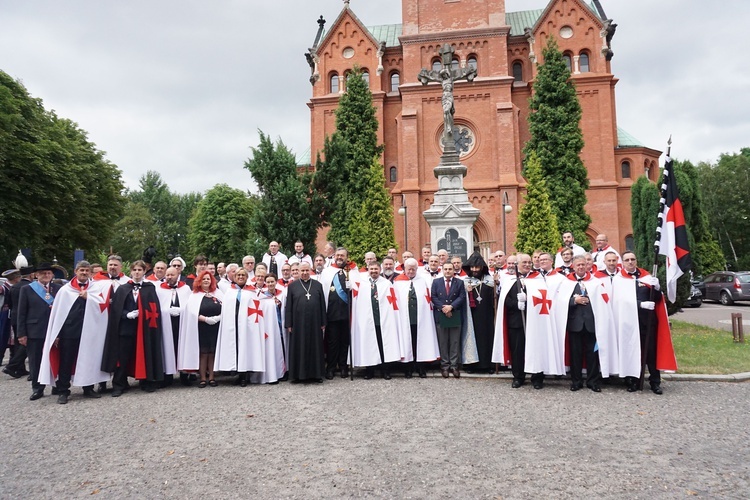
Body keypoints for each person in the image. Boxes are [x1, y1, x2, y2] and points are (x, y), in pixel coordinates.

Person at [39, 261, 108, 403]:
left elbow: (103, 306)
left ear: (90, 272)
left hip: (89, 331)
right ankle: (63, 391)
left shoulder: (96, 289)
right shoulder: (65, 290)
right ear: (75, 271)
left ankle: (88, 388)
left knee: (88, 359)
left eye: (87, 270)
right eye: (81, 270)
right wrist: (57, 334)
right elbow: (58, 314)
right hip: (69, 332)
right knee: (66, 361)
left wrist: (89, 298)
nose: (84, 273)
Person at [612, 251, 677, 394]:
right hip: (629, 322)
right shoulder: (618, 279)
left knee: (651, 352)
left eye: (632, 259)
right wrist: (640, 304)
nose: (630, 262)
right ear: (622, 262)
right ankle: (634, 380)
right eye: (627, 260)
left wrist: (658, 289)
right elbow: (619, 302)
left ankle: (655, 382)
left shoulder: (647, 277)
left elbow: (657, 300)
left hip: (648, 321)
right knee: (633, 351)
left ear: (636, 261)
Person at [101, 260, 165, 397]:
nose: (137, 272)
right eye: (135, 270)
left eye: (140, 270)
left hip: (145, 329)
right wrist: (126, 314)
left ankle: (146, 381)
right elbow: (116, 309)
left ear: (144, 272)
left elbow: (154, 308)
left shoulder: (150, 288)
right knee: (122, 356)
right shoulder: (123, 288)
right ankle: (119, 384)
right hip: (126, 328)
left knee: (145, 353)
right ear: (131, 271)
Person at [552, 255, 616, 392]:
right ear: (573, 267)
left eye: (583, 264)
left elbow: (603, 302)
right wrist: (574, 301)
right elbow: (560, 302)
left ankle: (593, 381)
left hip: (592, 324)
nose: (580, 267)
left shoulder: (596, 282)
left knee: (592, 354)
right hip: (575, 325)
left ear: (587, 265)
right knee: (575, 354)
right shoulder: (566, 283)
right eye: (578, 265)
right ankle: (576, 381)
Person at [492, 254, 547, 389]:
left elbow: (543, 298)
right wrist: (517, 304)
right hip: (516, 322)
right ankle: (518, 377)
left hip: (534, 322)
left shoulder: (538, 279)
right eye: (524, 262)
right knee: (517, 351)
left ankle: (537, 378)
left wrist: (528, 299)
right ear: (517, 264)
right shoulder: (510, 280)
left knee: (536, 349)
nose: (527, 265)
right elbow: (504, 300)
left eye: (529, 262)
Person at [16, 262, 61, 400]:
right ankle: (38, 388)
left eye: (49, 273)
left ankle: (57, 385)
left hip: (54, 330)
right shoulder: (27, 289)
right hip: (35, 330)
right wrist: (21, 333)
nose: (46, 276)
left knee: (56, 357)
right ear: (36, 275)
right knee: (35, 361)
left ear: (52, 275)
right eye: (43, 273)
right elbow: (21, 312)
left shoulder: (58, 288)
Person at [351, 261, 403, 379]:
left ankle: (385, 370)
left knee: (383, 344)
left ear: (380, 270)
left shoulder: (386, 284)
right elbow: (356, 299)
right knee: (369, 345)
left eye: (376, 269)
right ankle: (370, 370)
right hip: (368, 320)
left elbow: (392, 301)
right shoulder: (362, 284)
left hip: (383, 320)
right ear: (368, 270)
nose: (374, 271)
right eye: (371, 269)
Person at [214, 268, 262, 386]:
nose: (240, 277)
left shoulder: (252, 292)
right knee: (234, 348)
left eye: (243, 275)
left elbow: (256, 309)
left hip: (246, 326)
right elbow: (226, 309)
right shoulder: (230, 292)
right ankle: (236, 373)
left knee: (245, 348)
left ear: (246, 277)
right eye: (238, 275)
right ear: (235, 277)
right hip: (232, 325)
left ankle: (244, 375)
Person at [393, 258, 440, 378]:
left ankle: (421, 367)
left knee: (420, 342)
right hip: (405, 318)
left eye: (413, 269)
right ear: (405, 269)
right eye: (409, 269)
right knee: (407, 342)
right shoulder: (398, 282)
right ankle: (408, 368)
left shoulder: (422, 281)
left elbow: (427, 298)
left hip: (421, 318)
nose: (411, 271)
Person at [178, 270, 223, 388]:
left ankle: (212, 377)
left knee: (213, 352)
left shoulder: (218, 293)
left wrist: (218, 318)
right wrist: (205, 319)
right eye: (204, 279)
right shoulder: (194, 295)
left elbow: (226, 307)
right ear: (199, 281)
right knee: (203, 353)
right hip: (201, 327)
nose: (206, 281)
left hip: (216, 326)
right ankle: (203, 378)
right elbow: (191, 312)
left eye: (208, 279)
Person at [285, 262, 326, 383]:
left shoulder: (318, 285)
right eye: (302, 271)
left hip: (315, 322)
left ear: (310, 270)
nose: (304, 273)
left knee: (315, 347)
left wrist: (323, 321)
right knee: (299, 347)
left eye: (306, 270)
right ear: (298, 271)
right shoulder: (293, 286)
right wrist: (289, 324)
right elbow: (289, 307)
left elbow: (322, 304)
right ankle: (298, 375)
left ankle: (316, 374)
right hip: (298, 323)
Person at [319, 248, 355, 379]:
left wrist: (353, 288)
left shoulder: (352, 271)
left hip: (347, 314)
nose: (340, 257)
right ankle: (331, 367)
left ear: (347, 257)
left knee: (345, 341)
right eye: (338, 255)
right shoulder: (327, 272)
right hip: (332, 313)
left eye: (342, 255)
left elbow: (358, 290)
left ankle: (344, 366)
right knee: (332, 342)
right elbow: (322, 292)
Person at [155, 266, 191, 386]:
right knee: (167, 347)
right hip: (166, 323)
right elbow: (157, 307)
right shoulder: (159, 289)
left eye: (172, 275)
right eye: (168, 275)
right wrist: (166, 311)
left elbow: (190, 306)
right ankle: (167, 375)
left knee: (182, 346)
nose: (169, 277)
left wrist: (181, 310)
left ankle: (185, 374)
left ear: (178, 275)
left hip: (181, 322)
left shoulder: (185, 289)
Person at [462, 253, 496, 374]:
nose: (474, 270)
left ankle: (488, 365)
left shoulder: (490, 281)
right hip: (472, 315)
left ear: (482, 267)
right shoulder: (465, 281)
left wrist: (496, 286)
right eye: (472, 267)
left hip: (487, 315)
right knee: (472, 339)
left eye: (477, 267)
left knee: (488, 339)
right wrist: (467, 292)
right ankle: (472, 365)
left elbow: (495, 298)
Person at [431, 262, 466, 378]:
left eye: (450, 269)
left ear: (453, 270)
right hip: (441, 315)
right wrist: (444, 308)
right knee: (443, 341)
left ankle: (454, 366)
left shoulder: (460, 282)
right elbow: (434, 297)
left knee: (454, 341)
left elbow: (462, 297)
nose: (447, 271)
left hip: (454, 314)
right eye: (445, 269)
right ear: (442, 270)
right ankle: (444, 366)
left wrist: (451, 307)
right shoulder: (436, 282)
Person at [251, 273, 287, 384]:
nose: (271, 284)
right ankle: (271, 374)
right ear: (266, 283)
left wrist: (279, 304)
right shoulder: (262, 297)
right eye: (269, 282)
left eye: (272, 281)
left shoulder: (282, 295)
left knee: (282, 348)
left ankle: (283, 372)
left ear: (276, 282)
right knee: (271, 349)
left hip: (281, 327)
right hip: (269, 328)